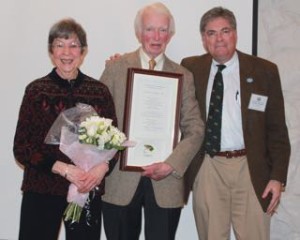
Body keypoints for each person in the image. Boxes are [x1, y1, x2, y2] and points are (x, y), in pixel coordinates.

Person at [181, 6, 291, 240]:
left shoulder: (264, 71)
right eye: (211, 33)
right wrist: (125, 63)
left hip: (250, 168)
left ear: (235, 34)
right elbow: (162, 82)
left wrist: (277, 178)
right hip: (208, 166)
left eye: (225, 31)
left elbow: (278, 131)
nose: (219, 39)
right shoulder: (190, 68)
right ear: (203, 39)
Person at [100, 2, 204, 240]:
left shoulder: (183, 76)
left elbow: (195, 129)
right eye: (150, 29)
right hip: (119, 180)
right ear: (138, 32)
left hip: (166, 181)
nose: (156, 37)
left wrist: (172, 164)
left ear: (170, 34)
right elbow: (99, 119)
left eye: (163, 30)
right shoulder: (116, 68)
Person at [13, 18, 117, 240]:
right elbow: (22, 148)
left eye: (74, 45)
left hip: (86, 189)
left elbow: (114, 142)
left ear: (83, 51)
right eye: (60, 45)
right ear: (51, 51)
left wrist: (102, 169)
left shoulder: (99, 91)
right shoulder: (36, 91)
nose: (67, 52)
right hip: (42, 190)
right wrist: (64, 169)